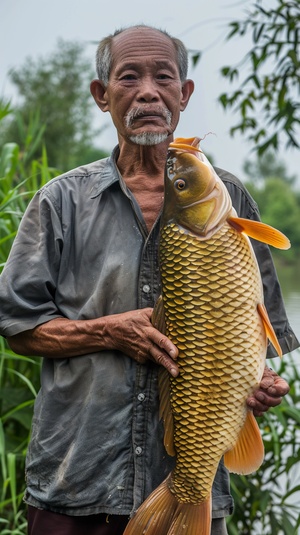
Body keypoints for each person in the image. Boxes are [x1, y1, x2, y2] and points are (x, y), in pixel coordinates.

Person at [0, 25, 298, 535]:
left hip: (193, 485)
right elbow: (15, 324)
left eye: (164, 77)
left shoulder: (232, 203)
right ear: (102, 96)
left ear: (184, 95)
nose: (147, 91)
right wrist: (108, 331)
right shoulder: (59, 202)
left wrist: (258, 384)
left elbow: (258, 339)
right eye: (128, 77)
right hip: (74, 484)